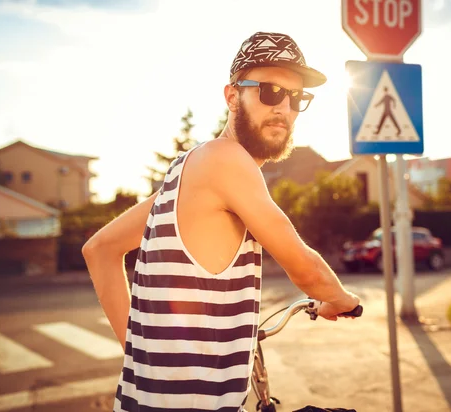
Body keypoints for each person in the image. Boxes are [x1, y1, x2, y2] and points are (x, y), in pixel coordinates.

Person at [82, 31, 361, 412]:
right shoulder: (225, 160)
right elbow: (305, 269)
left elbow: (99, 249)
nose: (284, 108)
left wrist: (143, 357)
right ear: (232, 96)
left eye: (296, 98)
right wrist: (342, 300)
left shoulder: (185, 174)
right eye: (269, 92)